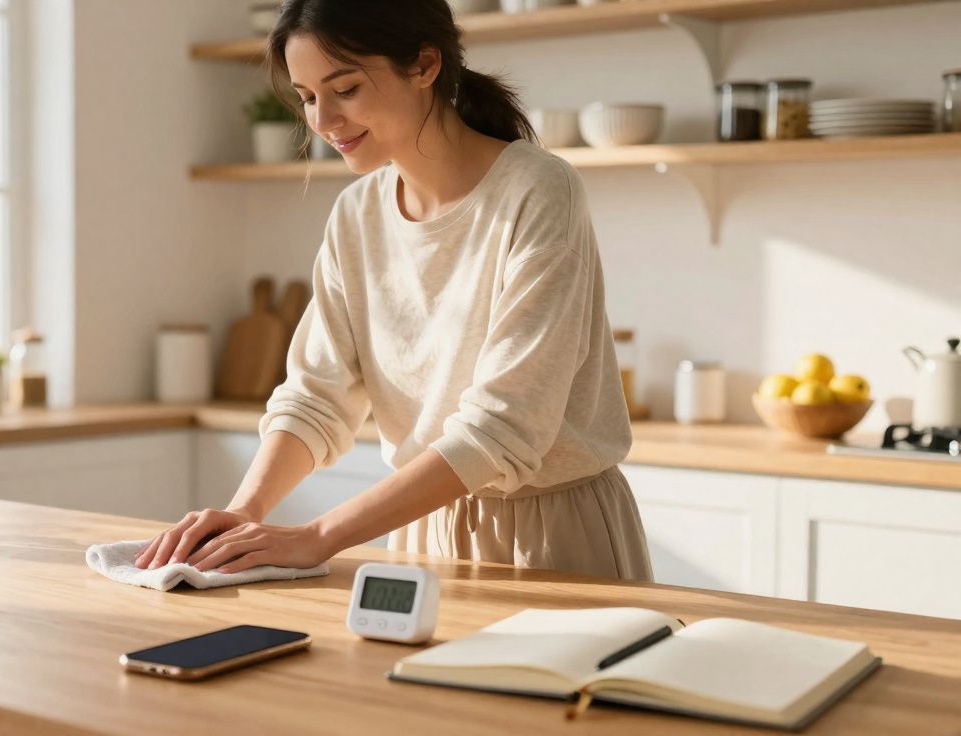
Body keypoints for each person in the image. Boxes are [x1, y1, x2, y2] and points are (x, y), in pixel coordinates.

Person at [135, 0, 652, 581]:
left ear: (425, 64)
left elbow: (504, 428)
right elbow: (316, 397)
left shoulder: (537, 190)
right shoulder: (356, 213)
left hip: (552, 535)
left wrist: (318, 536)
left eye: (346, 88)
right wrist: (241, 512)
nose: (323, 120)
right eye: (307, 98)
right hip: (420, 529)